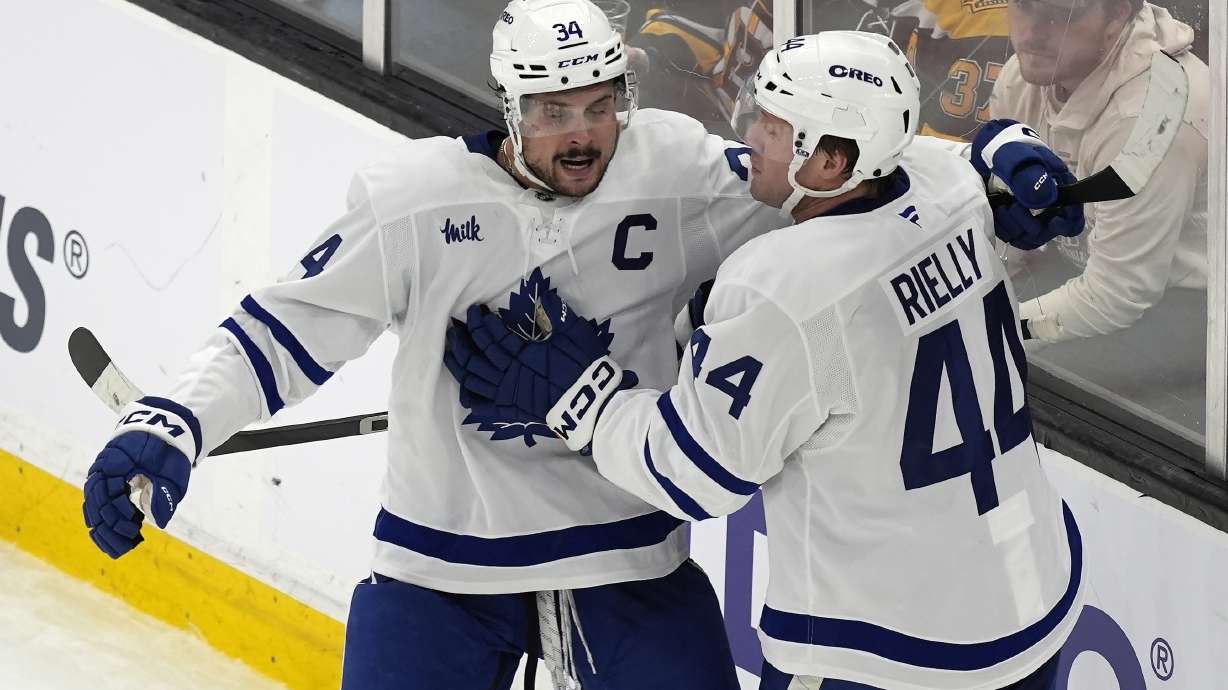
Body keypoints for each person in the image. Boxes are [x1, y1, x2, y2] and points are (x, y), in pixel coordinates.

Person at [79, 1, 1069, 688]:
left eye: (599, 105)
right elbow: (283, 330)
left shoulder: (679, 168)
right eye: (554, 114)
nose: (583, 135)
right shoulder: (414, 201)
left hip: (626, 565)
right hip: (445, 569)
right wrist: (175, 423)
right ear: (508, 108)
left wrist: (990, 162)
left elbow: (854, 160)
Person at [445, 31, 1084, 690]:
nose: (750, 131)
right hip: (1033, 598)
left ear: (831, 162)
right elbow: (954, 156)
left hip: (886, 650)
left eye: (774, 126)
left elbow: (697, 474)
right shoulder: (950, 192)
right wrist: (1006, 144)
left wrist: (581, 399)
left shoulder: (781, 286)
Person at [989, 0, 1208, 344]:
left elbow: (1115, 297)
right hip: (1077, 269)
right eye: (1022, 5)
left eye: (1059, 14)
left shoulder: (1149, 120)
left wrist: (982, 337)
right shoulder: (1024, 76)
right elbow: (1007, 228)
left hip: (1186, 318)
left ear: (1118, 13)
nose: (1030, 32)